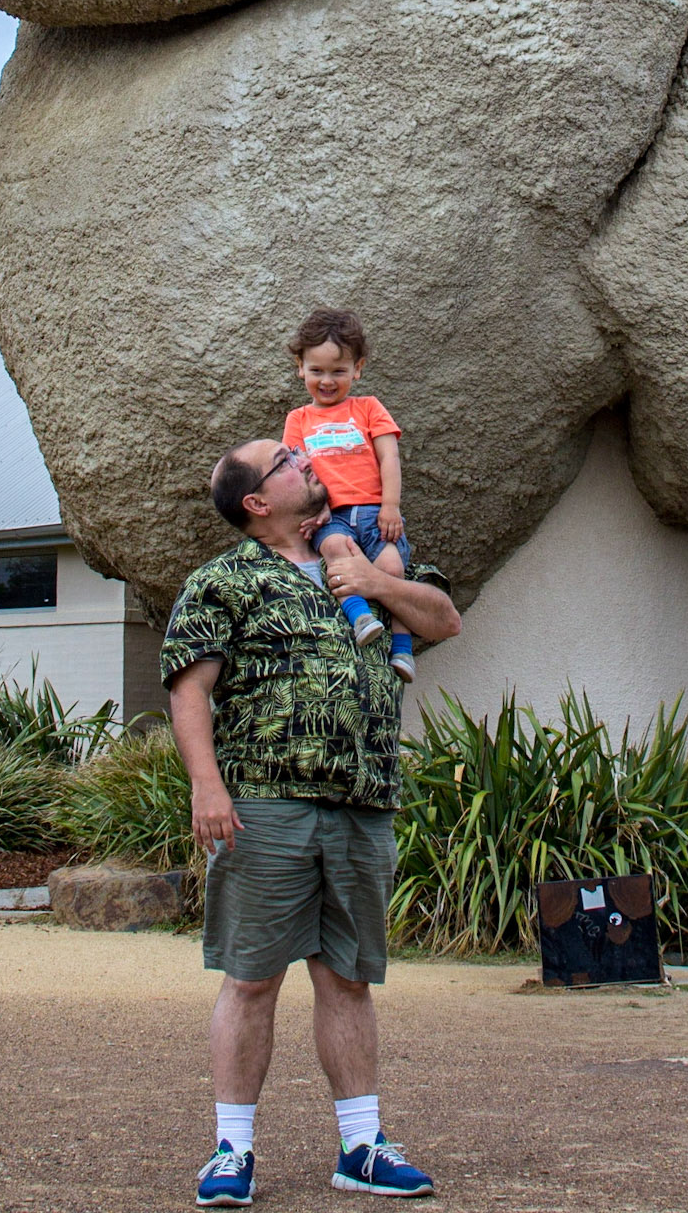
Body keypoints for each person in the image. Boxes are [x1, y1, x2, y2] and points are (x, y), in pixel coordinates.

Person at [162, 433, 462, 1206]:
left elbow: (443, 620)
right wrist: (207, 787)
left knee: (348, 978)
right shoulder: (225, 580)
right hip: (266, 803)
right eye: (285, 462)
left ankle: (361, 1145)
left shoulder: (361, 556)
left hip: (363, 804)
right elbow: (188, 691)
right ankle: (232, 1151)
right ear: (258, 502)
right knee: (252, 978)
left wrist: (368, 579)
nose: (304, 461)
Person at [283, 307, 416, 680]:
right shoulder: (298, 419)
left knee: (392, 568)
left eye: (338, 371)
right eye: (317, 371)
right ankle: (360, 616)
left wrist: (390, 505)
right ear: (300, 367)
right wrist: (313, 510)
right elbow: (297, 470)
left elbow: (389, 456)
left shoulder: (368, 408)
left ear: (357, 368)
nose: (327, 381)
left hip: (376, 511)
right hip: (333, 514)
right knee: (334, 552)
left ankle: (403, 647)